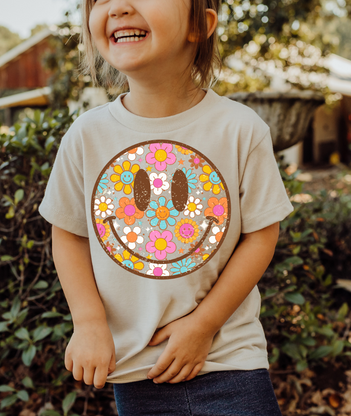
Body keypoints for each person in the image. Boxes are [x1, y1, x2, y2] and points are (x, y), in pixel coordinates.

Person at [39, 0, 294, 414]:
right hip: (137, 371)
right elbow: (67, 233)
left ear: (201, 25)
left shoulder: (241, 129)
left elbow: (261, 234)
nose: (119, 7)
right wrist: (87, 322)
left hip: (229, 360)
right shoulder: (86, 135)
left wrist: (202, 325)